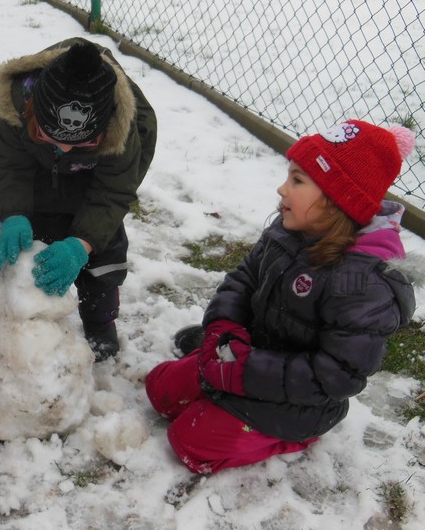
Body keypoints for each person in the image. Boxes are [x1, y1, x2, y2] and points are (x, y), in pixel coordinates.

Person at [145, 120, 416, 474]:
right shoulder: (287, 231)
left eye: (297, 180)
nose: (282, 188)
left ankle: (295, 438)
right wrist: (223, 327)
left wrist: (245, 372)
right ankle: (219, 377)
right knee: (160, 389)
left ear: (337, 200)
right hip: (246, 357)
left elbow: (335, 376)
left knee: (189, 442)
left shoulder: (362, 285)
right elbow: (244, 279)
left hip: (298, 402)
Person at [0, 37, 157, 361]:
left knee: (104, 258)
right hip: (40, 178)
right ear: (32, 112)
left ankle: (100, 321)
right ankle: (37, 326)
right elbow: (10, 165)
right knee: (38, 251)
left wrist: (83, 243)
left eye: (81, 141)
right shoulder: (13, 108)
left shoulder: (123, 129)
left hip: (94, 183)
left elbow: (114, 191)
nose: (65, 147)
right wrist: (14, 213)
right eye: (48, 135)